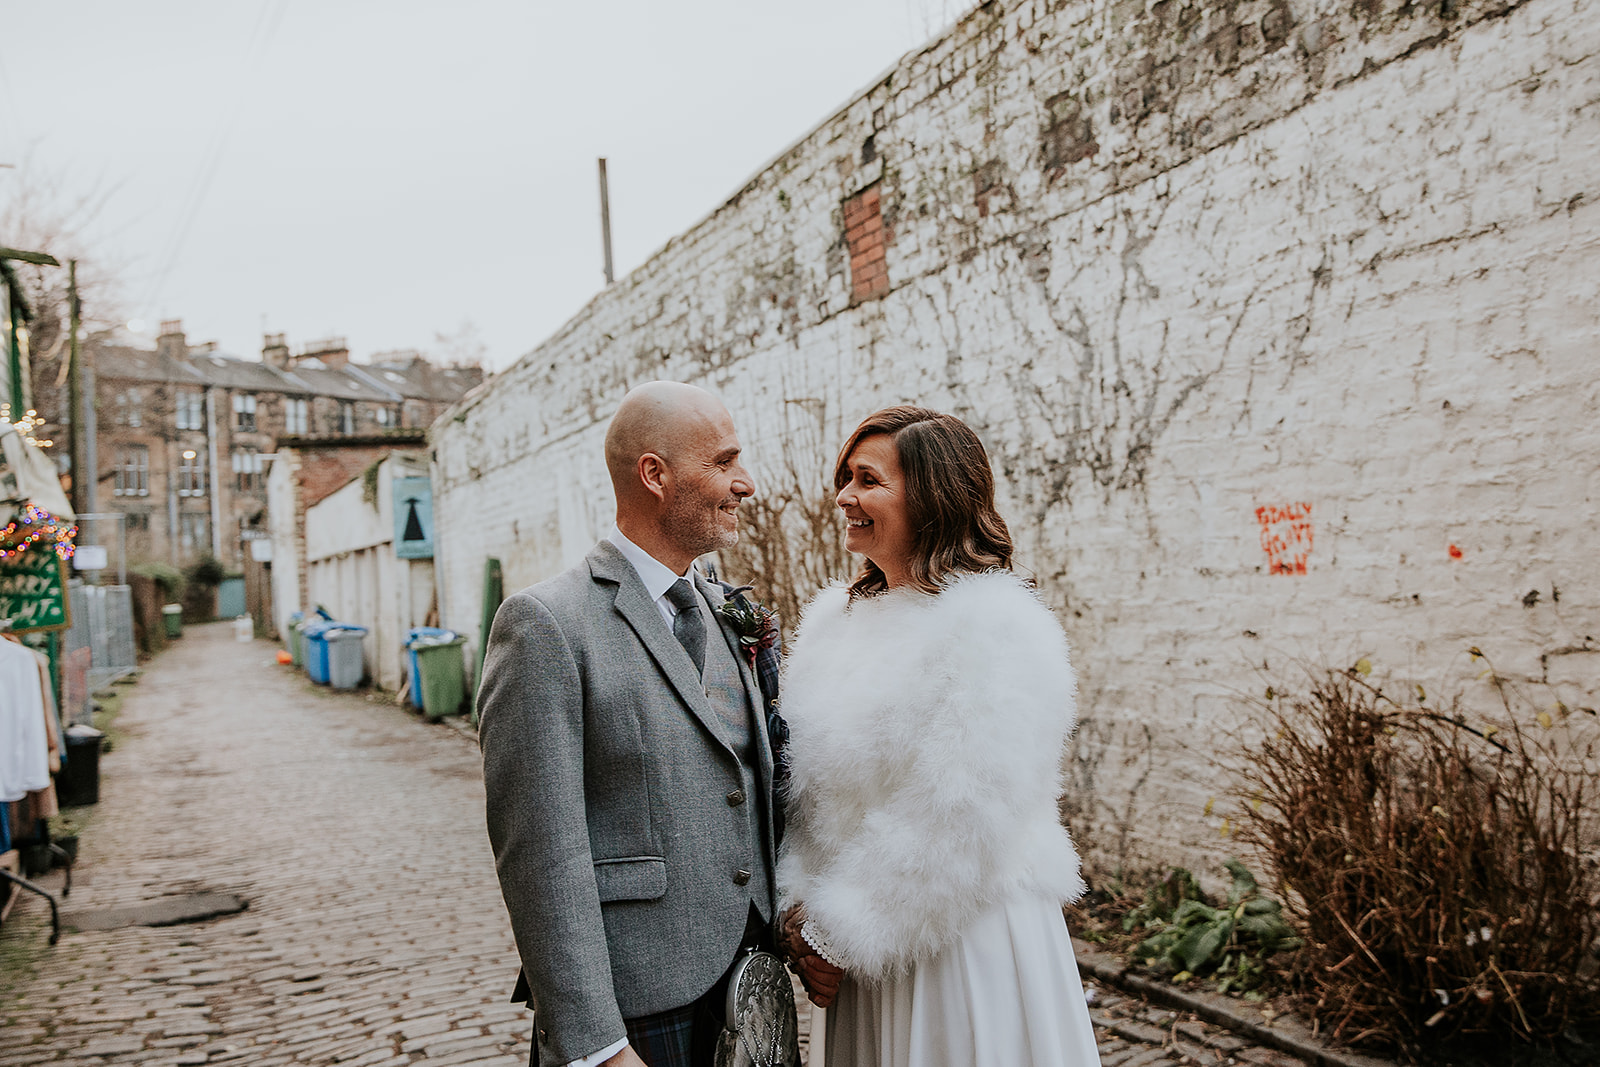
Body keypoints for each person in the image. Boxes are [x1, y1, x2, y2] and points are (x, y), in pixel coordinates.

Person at [776, 405, 1102, 1067]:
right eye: (845, 477)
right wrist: (801, 912)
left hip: (965, 949)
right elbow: (806, 792)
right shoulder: (833, 625)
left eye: (867, 479)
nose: (844, 496)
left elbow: (964, 814)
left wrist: (841, 930)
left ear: (931, 497)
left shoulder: (998, 626)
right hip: (858, 960)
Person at [478, 381, 782, 1067]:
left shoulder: (726, 612)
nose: (746, 483)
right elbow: (540, 853)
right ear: (655, 474)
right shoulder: (546, 624)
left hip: (749, 988)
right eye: (725, 461)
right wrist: (597, 1046)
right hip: (637, 1010)